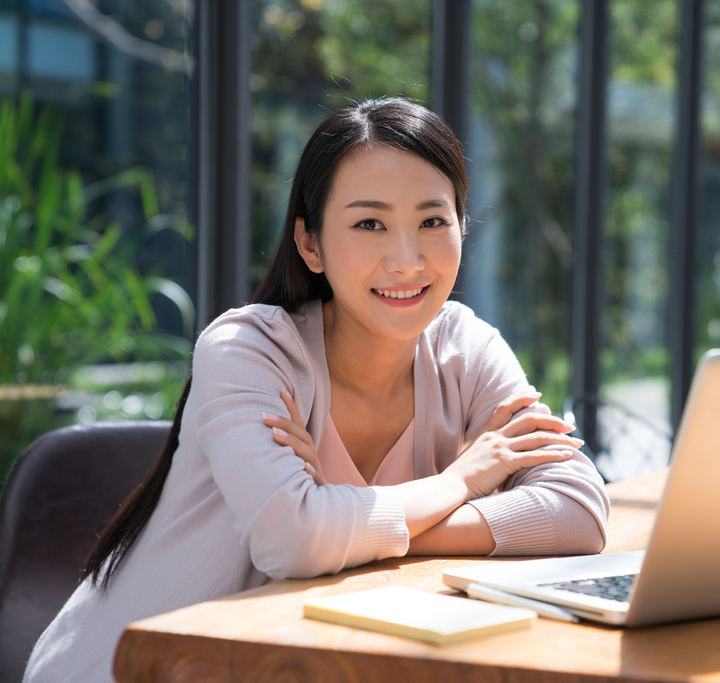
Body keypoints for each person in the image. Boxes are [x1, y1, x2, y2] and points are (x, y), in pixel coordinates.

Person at [23, 98, 609, 683]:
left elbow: (579, 509)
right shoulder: (248, 350)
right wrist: (455, 483)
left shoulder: (466, 346)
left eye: (433, 221)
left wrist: (340, 512)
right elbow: (292, 541)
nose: (406, 260)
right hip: (132, 668)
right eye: (369, 224)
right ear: (311, 244)